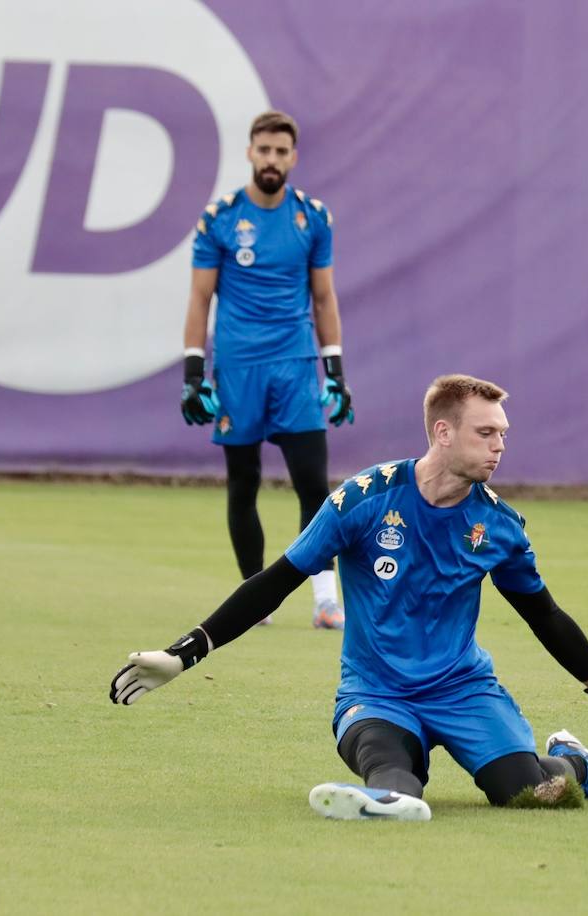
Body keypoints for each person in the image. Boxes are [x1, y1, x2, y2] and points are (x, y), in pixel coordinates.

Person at [112, 374, 588, 819]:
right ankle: (386, 801)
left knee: (534, 793)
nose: (499, 446)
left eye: (503, 434)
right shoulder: (363, 499)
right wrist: (184, 652)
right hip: (377, 692)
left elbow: (545, 616)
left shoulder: (500, 527)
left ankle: (575, 762)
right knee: (391, 771)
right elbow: (278, 580)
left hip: (463, 690)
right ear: (442, 432)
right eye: (486, 433)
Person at [179, 110, 353, 630]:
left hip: (296, 366)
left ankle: (326, 600)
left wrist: (336, 371)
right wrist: (193, 372)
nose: (272, 159)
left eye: (282, 152)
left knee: (313, 486)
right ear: (251, 153)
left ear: (292, 158)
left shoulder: (313, 217)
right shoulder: (221, 218)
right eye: (264, 150)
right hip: (237, 368)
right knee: (243, 482)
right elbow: (199, 296)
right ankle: (256, 600)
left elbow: (324, 297)